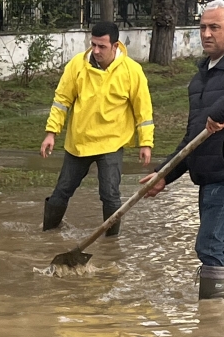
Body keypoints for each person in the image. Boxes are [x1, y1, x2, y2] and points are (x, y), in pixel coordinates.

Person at [140, 0, 224, 300]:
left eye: (214, 27)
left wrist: (220, 110)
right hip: (211, 173)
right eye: (202, 27)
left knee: (209, 243)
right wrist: (164, 174)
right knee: (222, 242)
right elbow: (194, 136)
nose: (206, 33)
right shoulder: (202, 75)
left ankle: (211, 322)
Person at [40, 21, 154, 236]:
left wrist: (146, 143)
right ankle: (47, 234)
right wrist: (51, 133)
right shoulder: (77, 65)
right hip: (79, 143)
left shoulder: (132, 71)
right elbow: (61, 101)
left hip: (112, 143)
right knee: (61, 192)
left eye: (102, 46)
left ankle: (111, 244)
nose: (96, 50)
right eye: (93, 45)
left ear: (115, 46)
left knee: (110, 195)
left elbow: (143, 110)